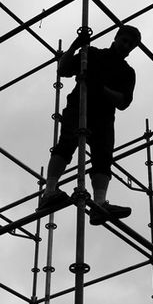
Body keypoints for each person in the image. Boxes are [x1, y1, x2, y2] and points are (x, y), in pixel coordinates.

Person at [38, 25, 141, 225]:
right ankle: (49, 191)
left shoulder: (127, 72)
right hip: (79, 106)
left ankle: (99, 204)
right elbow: (63, 69)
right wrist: (76, 45)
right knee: (66, 144)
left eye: (130, 44)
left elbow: (123, 102)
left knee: (103, 158)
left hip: (103, 115)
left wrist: (101, 88)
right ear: (117, 38)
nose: (126, 45)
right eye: (124, 40)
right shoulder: (92, 54)